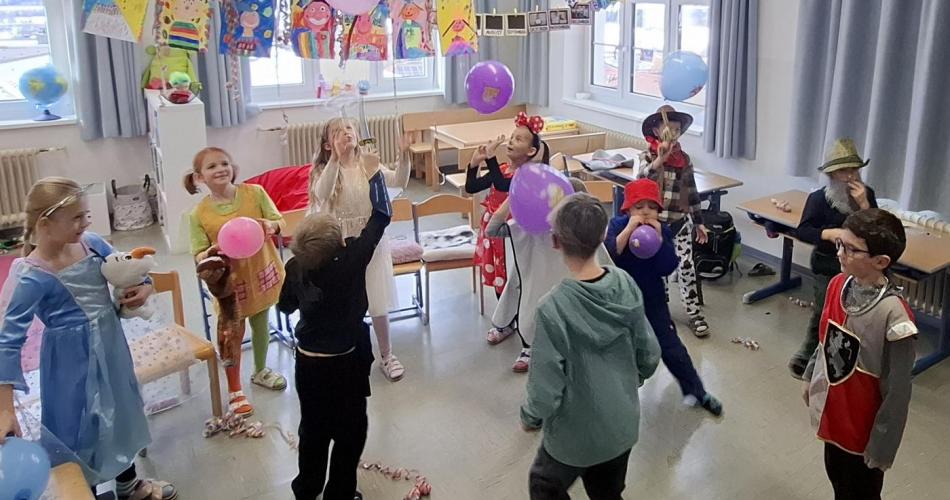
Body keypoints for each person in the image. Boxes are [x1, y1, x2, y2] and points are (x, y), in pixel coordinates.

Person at [0, 178, 177, 499]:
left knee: (121, 410)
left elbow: (129, 271)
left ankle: (128, 484)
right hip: (69, 365)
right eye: (77, 218)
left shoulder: (92, 245)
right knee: (79, 426)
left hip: (111, 348)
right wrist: (5, 408)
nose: (86, 223)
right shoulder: (31, 275)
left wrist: (144, 287)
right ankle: (85, 492)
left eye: (86, 215)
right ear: (45, 224)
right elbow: (7, 341)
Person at [521, 193, 661, 499]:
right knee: (607, 493)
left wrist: (531, 416)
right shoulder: (625, 283)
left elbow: (545, 384)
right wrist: (629, 381)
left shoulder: (552, 307)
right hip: (621, 427)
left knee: (544, 485)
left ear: (555, 241)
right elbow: (650, 354)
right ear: (603, 235)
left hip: (572, 437)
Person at [278, 164, 391, 500]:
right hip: (345, 363)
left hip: (308, 363)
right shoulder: (352, 260)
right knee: (350, 431)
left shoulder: (296, 266)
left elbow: (285, 307)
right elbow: (381, 216)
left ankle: (306, 490)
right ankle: (340, 494)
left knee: (313, 429)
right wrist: (374, 175)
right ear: (340, 243)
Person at [802, 208, 916, 500]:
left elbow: (898, 391)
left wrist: (882, 446)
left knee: (861, 491)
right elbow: (825, 338)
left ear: (881, 261)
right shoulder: (837, 285)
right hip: (834, 411)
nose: (840, 253)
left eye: (851, 249)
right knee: (837, 476)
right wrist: (810, 375)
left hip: (863, 426)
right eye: (840, 244)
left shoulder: (895, 318)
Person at [605, 179, 722, 416]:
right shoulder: (617, 225)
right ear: (627, 209)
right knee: (619, 352)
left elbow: (668, 267)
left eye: (651, 207)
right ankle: (615, 400)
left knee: (672, 348)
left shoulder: (663, 230)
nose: (645, 212)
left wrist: (659, 240)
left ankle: (697, 391)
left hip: (653, 300)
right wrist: (628, 231)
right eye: (639, 207)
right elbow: (608, 256)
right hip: (621, 301)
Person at [187, 147, 288, 417]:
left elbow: (280, 221)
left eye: (224, 163)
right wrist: (211, 251)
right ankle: (234, 390)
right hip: (230, 285)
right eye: (211, 166)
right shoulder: (199, 214)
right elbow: (198, 253)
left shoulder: (255, 193)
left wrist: (271, 226)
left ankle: (261, 370)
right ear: (199, 177)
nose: (220, 169)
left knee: (261, 322)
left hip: (261, 273)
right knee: (231, 333)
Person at [308, 117, 411, 382]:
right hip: (341, 243)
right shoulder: (325, 170)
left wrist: (404, 155)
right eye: (337, 132)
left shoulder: (368, 163)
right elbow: (322, 193)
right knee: (344, 301)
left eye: (349, 129)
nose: (345, 133)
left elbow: (399, 181)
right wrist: (335, 159)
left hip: (371, 241)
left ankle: (387, 355)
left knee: (377, 298)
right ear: (328, 144)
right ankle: (344, 355)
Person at [488, 178, 610, 372]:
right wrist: (512, 198)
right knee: (527, 302)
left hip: (567, 288)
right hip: (533, 279)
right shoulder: (532, 227)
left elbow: (605, 267)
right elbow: (493, 229)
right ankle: (521, 339)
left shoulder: (585, 235)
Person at [788, 138, 878, 379]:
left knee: (858, 313)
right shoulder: (819, 199)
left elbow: (878, 230)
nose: (849, 176)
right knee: (824, 309)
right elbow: (803, 231)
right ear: (831, 175)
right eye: (843, 171)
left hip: (859, 266)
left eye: (854, 170)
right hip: (827, 264)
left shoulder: (867, 194)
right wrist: (831, 233)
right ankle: (808, 353)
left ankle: (850, 356)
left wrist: (864, 205)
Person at [466, 111, 550, 345]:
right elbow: (472, 186)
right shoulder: (502, 168)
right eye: (512, 137)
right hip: (492, 233)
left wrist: (490, 158)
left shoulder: (527, 174)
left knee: (516, 278)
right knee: (499, 276)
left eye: (519, 139)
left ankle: (524, 328)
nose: (511, 141)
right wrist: (474, 163)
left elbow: (504, 185)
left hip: (512, 234)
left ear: (531, 151)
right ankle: (505, 323)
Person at [638, 105, 711, 337]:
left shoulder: (684, 160)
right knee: (659, 269)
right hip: (655, 225)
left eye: (678, 129)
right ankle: (662, 311)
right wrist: (659, 160)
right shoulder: (647, 156)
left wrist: (699, 221)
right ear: (656, 131)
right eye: (669, 128)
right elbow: (640, 181)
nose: (674, 133)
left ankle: (694, 313)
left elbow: (692, 191)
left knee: (686, 267)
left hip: (679, 223)